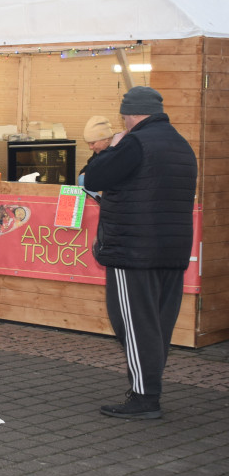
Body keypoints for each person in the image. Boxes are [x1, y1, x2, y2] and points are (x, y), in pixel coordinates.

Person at [84, 86, 197, 419]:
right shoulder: (181, 144)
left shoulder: (134, 142)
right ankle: (149, 389)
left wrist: (112, 147)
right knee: (158, 324)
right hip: (173, 251)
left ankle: (145, 397)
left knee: (133, 324)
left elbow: (94, 176)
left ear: (129, 115)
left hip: (133, 250)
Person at [77, 115, 115, 185]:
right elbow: (89, 166)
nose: (90, 147)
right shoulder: (99, 151)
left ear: (106, 139)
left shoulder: (120, 152)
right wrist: (84, 173)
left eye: (92, 143)